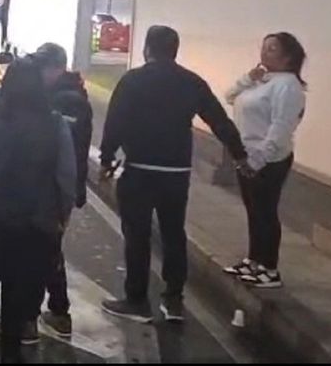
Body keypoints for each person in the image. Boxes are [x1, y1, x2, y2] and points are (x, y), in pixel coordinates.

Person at [98, 26, 248, 324]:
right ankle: (174, 301)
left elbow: (115, 121)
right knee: (173, 234)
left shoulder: (133, 81)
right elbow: (219, 120)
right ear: (175, 50)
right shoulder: (192, 83)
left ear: (147, 49)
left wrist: (106, 158)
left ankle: (137, 300)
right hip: (176, 173)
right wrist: (240, 154)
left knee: (137, 237)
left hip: (140, 170)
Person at [0, 56, 75, 364]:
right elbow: (66, 176)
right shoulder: (55, 124)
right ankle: (10, 352)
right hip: (34, 221)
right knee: (19, 291)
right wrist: (61, 215)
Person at [222, 33, 307, 290]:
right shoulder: (262, 80)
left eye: (272, 49)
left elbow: (280, 127)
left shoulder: (288, 86)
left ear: (288, 56)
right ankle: (253, 260)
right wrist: (249, 78)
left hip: (269, 160)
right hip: (247, 156)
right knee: (253, 211)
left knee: (266, 212)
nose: (264, 53)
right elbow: (229, 96)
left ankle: (269, 269)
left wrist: (259, 160)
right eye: (264, 47)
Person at [29, 43, 94, 340]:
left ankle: (49, 313)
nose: (39, 73)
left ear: (57, 68)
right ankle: (53, 311)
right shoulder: (62, 96)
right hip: (53, 188)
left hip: (54, 190)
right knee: (46, 248)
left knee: (44, 249)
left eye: (44, 67)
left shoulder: (67, 102)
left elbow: (66, 153)